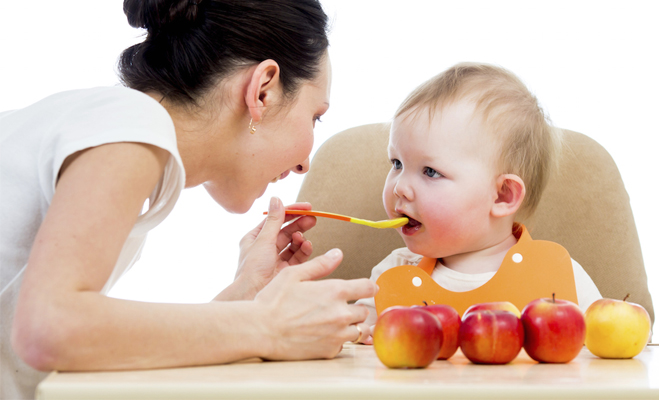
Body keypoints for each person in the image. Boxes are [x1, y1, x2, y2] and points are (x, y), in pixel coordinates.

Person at [0, 1, 377, 398]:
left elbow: (74, 335)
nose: (304, 164)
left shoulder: (117, 126)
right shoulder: (129, 127)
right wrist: (269, 326)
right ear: (263, 90)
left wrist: (245, 297)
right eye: (315, 116)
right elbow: (47, 328)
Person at [354, 63, 601, 343]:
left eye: (430, 172)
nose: (399, 187)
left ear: (503, 195)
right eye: (397, 163)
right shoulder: (392, 273)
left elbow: (603, 352)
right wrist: (362, 337)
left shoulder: (557, 273)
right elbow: (350, 346)